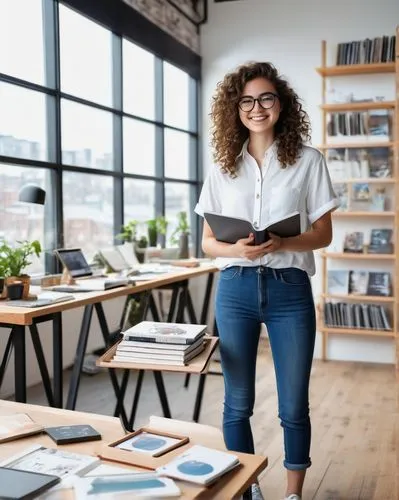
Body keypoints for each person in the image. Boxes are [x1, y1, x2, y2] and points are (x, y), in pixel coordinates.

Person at [194, 62, 339, 500]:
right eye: (247, 101)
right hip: (235, 289)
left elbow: (324, 233)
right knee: (236, 403)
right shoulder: (223, 166)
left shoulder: (308, 160)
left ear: (282, 104)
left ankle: (293, 494)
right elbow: (206, 242)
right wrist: (237, 249)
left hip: (289, 291)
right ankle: (249, 489)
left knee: (293, 404)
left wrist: (280, 243)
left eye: (266, 98)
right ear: (234, 109)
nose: (257, 108)